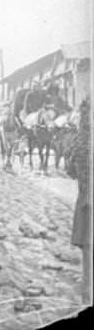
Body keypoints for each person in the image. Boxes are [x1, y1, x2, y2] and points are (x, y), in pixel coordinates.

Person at [67, 97, 92, 305]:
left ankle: (87, 293)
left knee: (88, 254)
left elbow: (70, 170)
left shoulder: (80, 141)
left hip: (86, 204)